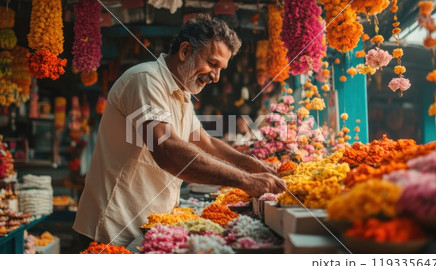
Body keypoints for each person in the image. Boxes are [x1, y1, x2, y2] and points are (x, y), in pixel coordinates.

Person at [73, 16, 285, 247]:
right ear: (185, 51)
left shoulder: (181, 93)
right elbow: (167, 150)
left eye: (221, 69)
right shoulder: (146, 80)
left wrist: (254, 166)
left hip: (145, 227)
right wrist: (245, 180)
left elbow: (205, 142)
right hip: (112, 230)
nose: (216, 77)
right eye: (213, 64)